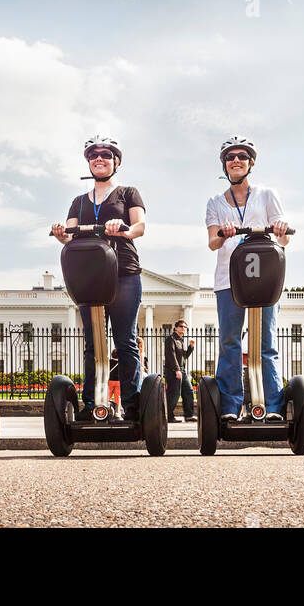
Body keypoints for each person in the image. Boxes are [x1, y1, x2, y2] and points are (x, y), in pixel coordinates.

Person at [51, 136, 147, 422]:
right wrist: (60, 234)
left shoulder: (128, 193)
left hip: (123, 272)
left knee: (125, 340)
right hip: (89, 276)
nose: (99, 159)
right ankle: (92, 403)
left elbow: (140, 226)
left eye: (106, 154)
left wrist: (123, 227)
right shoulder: (78, 202)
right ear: (88, 162)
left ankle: (132, 405)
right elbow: (70, 235)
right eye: (94, 155)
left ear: (115, 161)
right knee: (93, 343)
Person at [204, 137, 290, 424]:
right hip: (228, 281)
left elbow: (285, 238)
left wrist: (279, 228)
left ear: (251, 163)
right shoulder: (215, 202)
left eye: (242, 156)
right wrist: (223, 233)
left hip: (264, 279)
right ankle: (230, 405)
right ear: (224, 164)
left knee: (266, 344)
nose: (236, 160)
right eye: (230, 157)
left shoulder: (267, 195)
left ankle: (273, 406)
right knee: (230, 343)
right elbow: (212, 243)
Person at [164, 320, 195, 423]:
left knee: (189, 391)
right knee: (174, 394)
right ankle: (168, 416)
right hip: (173, 371)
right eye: (181, 326)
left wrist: (191, 347)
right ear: (176, 328)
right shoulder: (170, 339)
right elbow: (171, 356)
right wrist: (177, 370)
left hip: (182, 370)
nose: (183, 328)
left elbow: (184, 357)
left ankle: (189, 415)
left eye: (185, 327)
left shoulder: (180, 340)